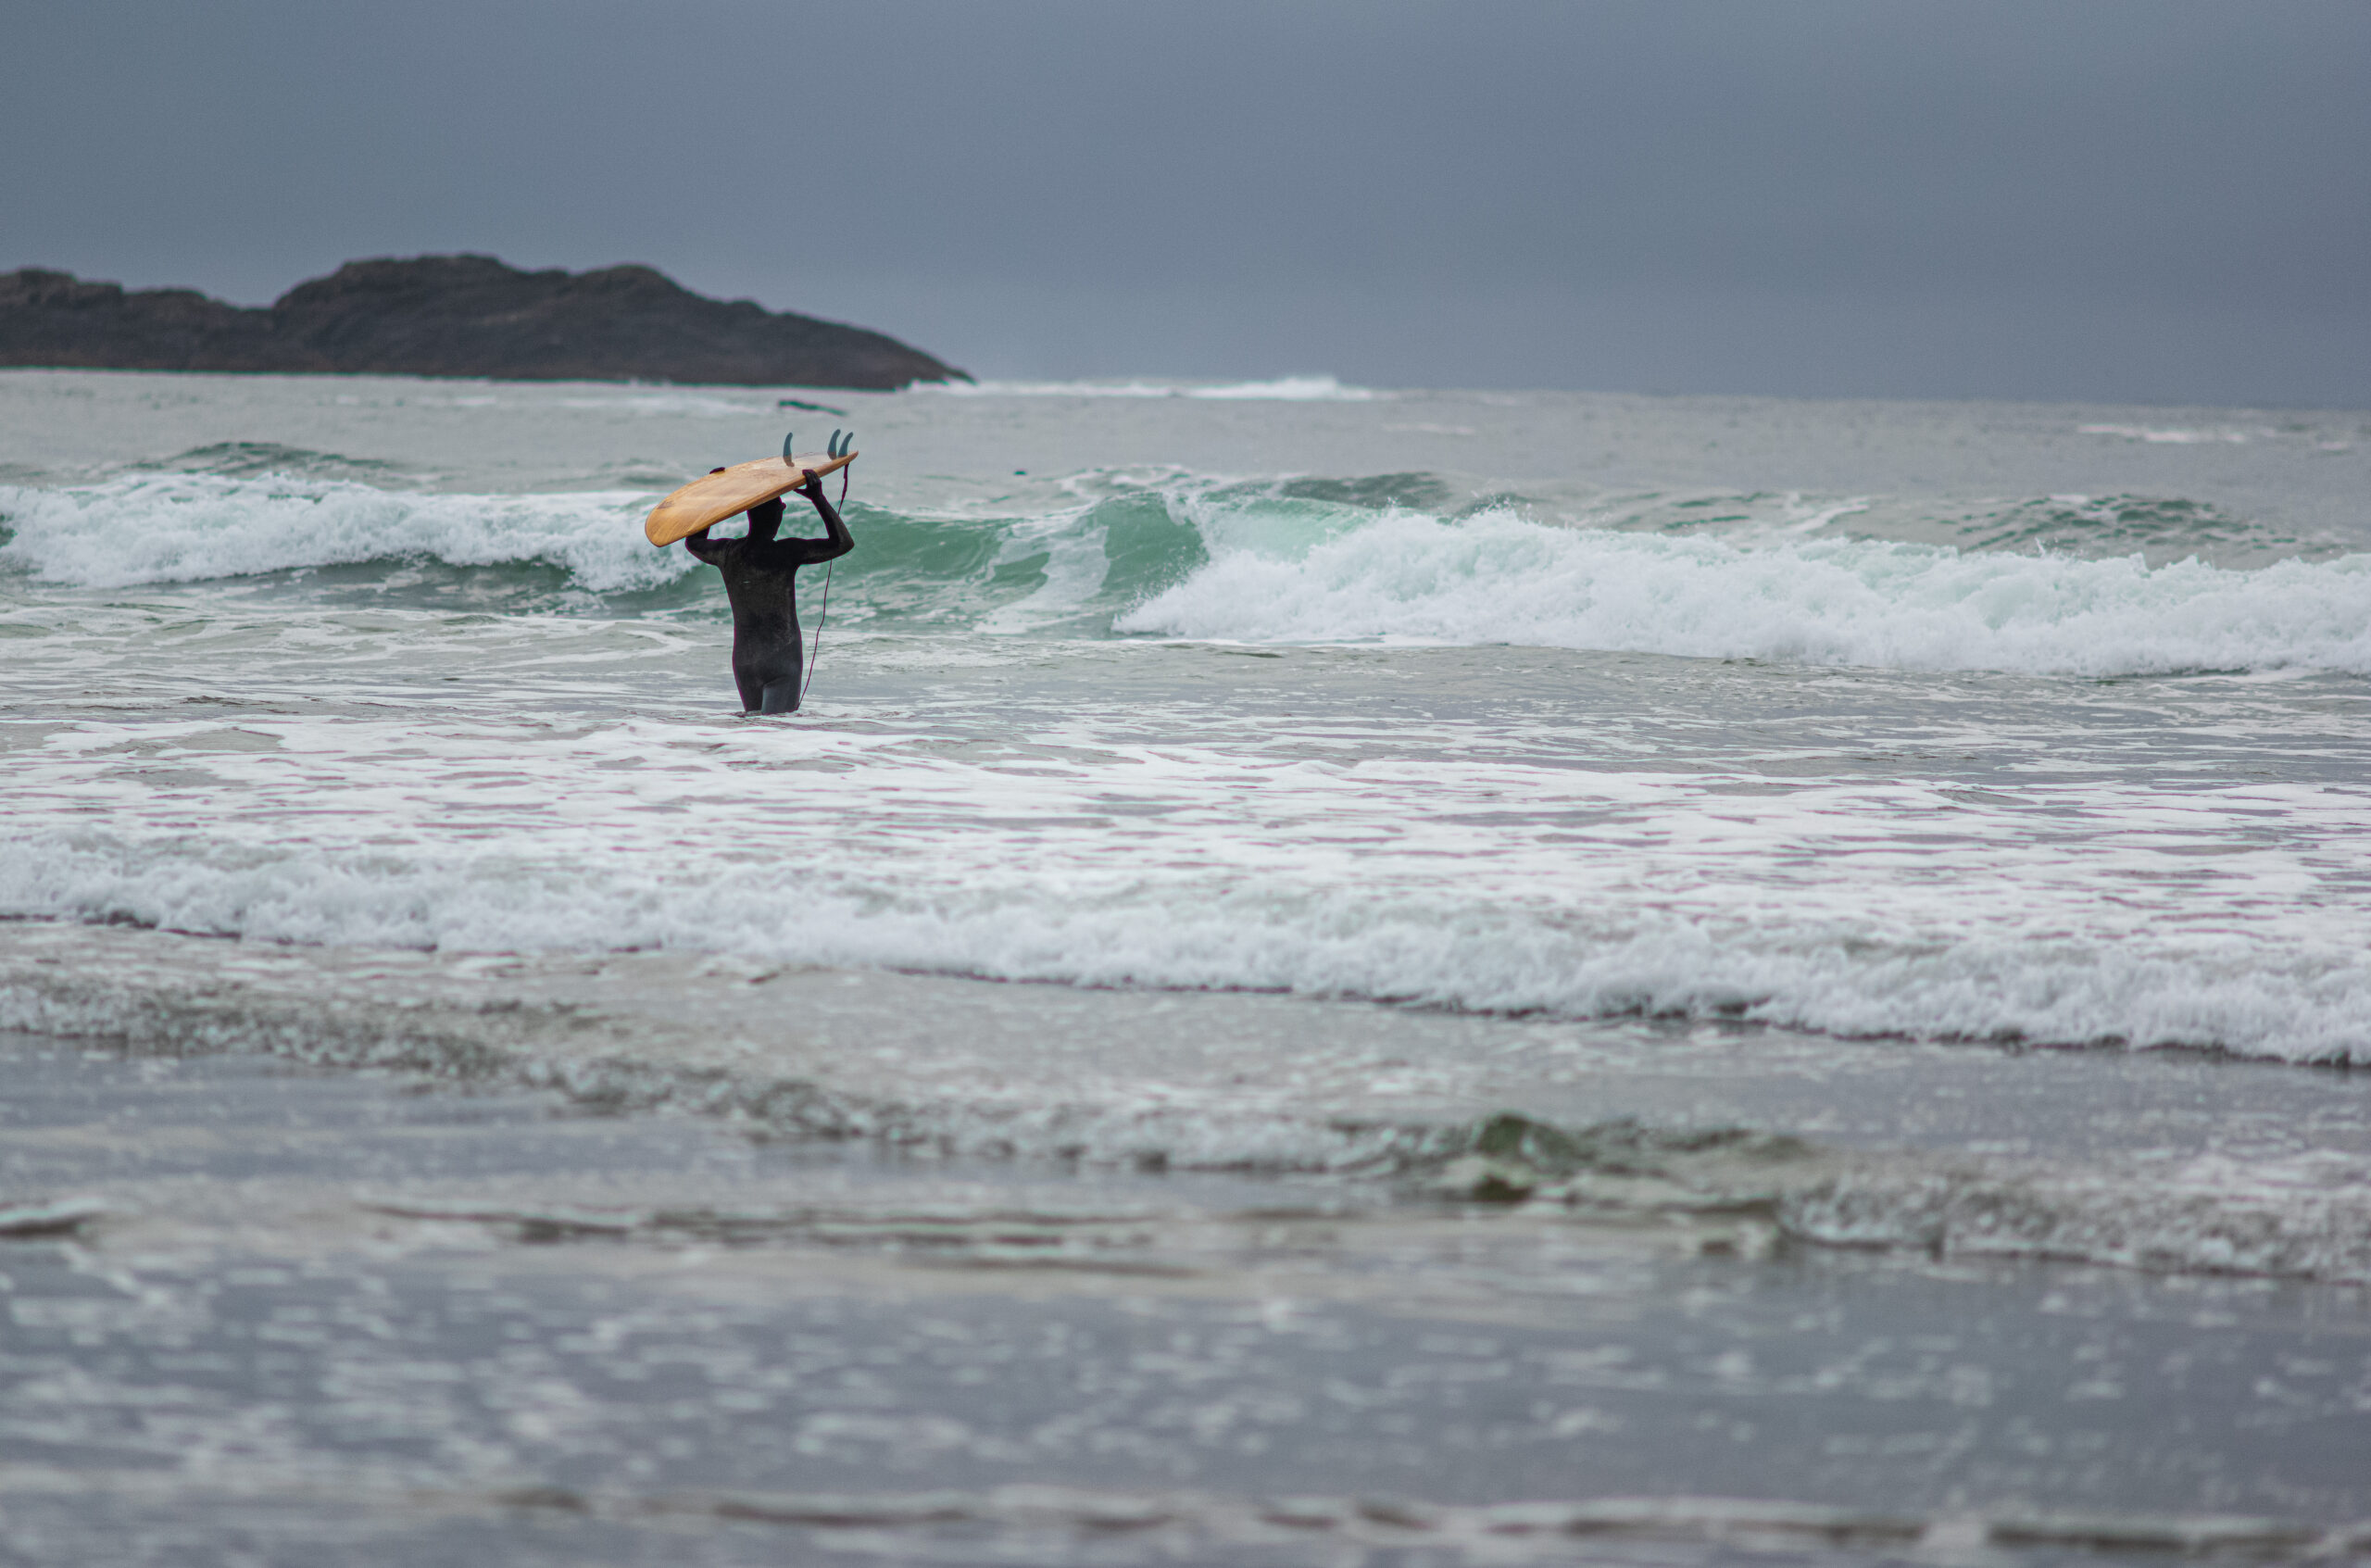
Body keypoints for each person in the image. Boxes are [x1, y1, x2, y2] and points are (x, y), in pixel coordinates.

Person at [682, 467, 853, 713]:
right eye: (779, 506)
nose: (783, 510)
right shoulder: (786, 552)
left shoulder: (727, 553)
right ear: (775, 516)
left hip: (745, 661)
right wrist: (818, 498)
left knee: (755, 734)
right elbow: (843, 543)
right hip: (781, 659)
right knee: (776, 736)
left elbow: (693, 541)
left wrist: (714, 495)